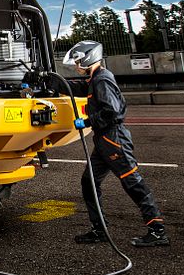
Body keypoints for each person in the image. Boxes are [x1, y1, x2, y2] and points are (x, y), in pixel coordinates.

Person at [62, 40, 169, 247]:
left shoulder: (101, 80)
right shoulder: (95, 79)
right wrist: (53, 83)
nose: (76, 65)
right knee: (89, 182)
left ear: (88, 58)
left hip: (114, 140)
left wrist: (86, 121)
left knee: (134, 184)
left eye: (78, 61)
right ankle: (99, 229)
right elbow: (79, 87)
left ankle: (157, 231)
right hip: (103, 141)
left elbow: (113, 112)